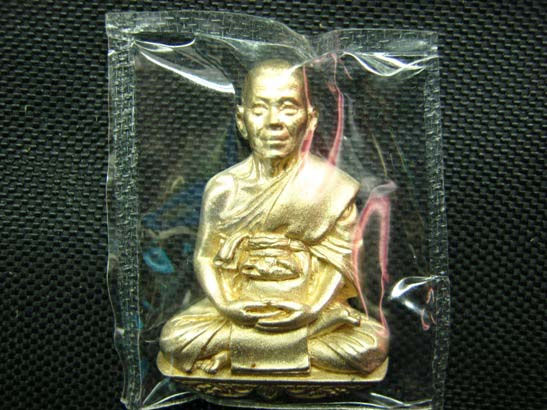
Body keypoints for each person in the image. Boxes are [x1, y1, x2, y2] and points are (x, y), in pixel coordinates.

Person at [159, 59, 388, 376]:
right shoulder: (224, 188)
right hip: (241, 307)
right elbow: (206, 257)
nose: (273, 122)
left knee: (372, 343)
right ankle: (297, 348)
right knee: (174, 337)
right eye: (259, 109)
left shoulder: (331, 188)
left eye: (288, 108)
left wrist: (311, 310)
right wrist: (226, 306)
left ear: (310, 119)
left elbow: (340, 262)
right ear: (242, 121)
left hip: (310, 305)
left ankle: (237, 351)